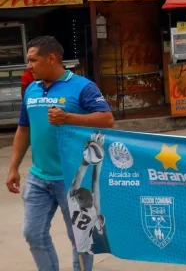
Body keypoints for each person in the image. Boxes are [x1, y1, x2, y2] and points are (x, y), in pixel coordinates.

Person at [5, 36, 114, 271]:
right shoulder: (32, 90)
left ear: (51, 58)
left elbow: (107, 119)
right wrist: (13, 167)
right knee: (33, 234)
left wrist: (68, 118)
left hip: (74, 178)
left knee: (80, 239)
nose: (28, 66)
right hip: (38, 177)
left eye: (32, 60)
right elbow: (24, 128)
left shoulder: (83, 87)